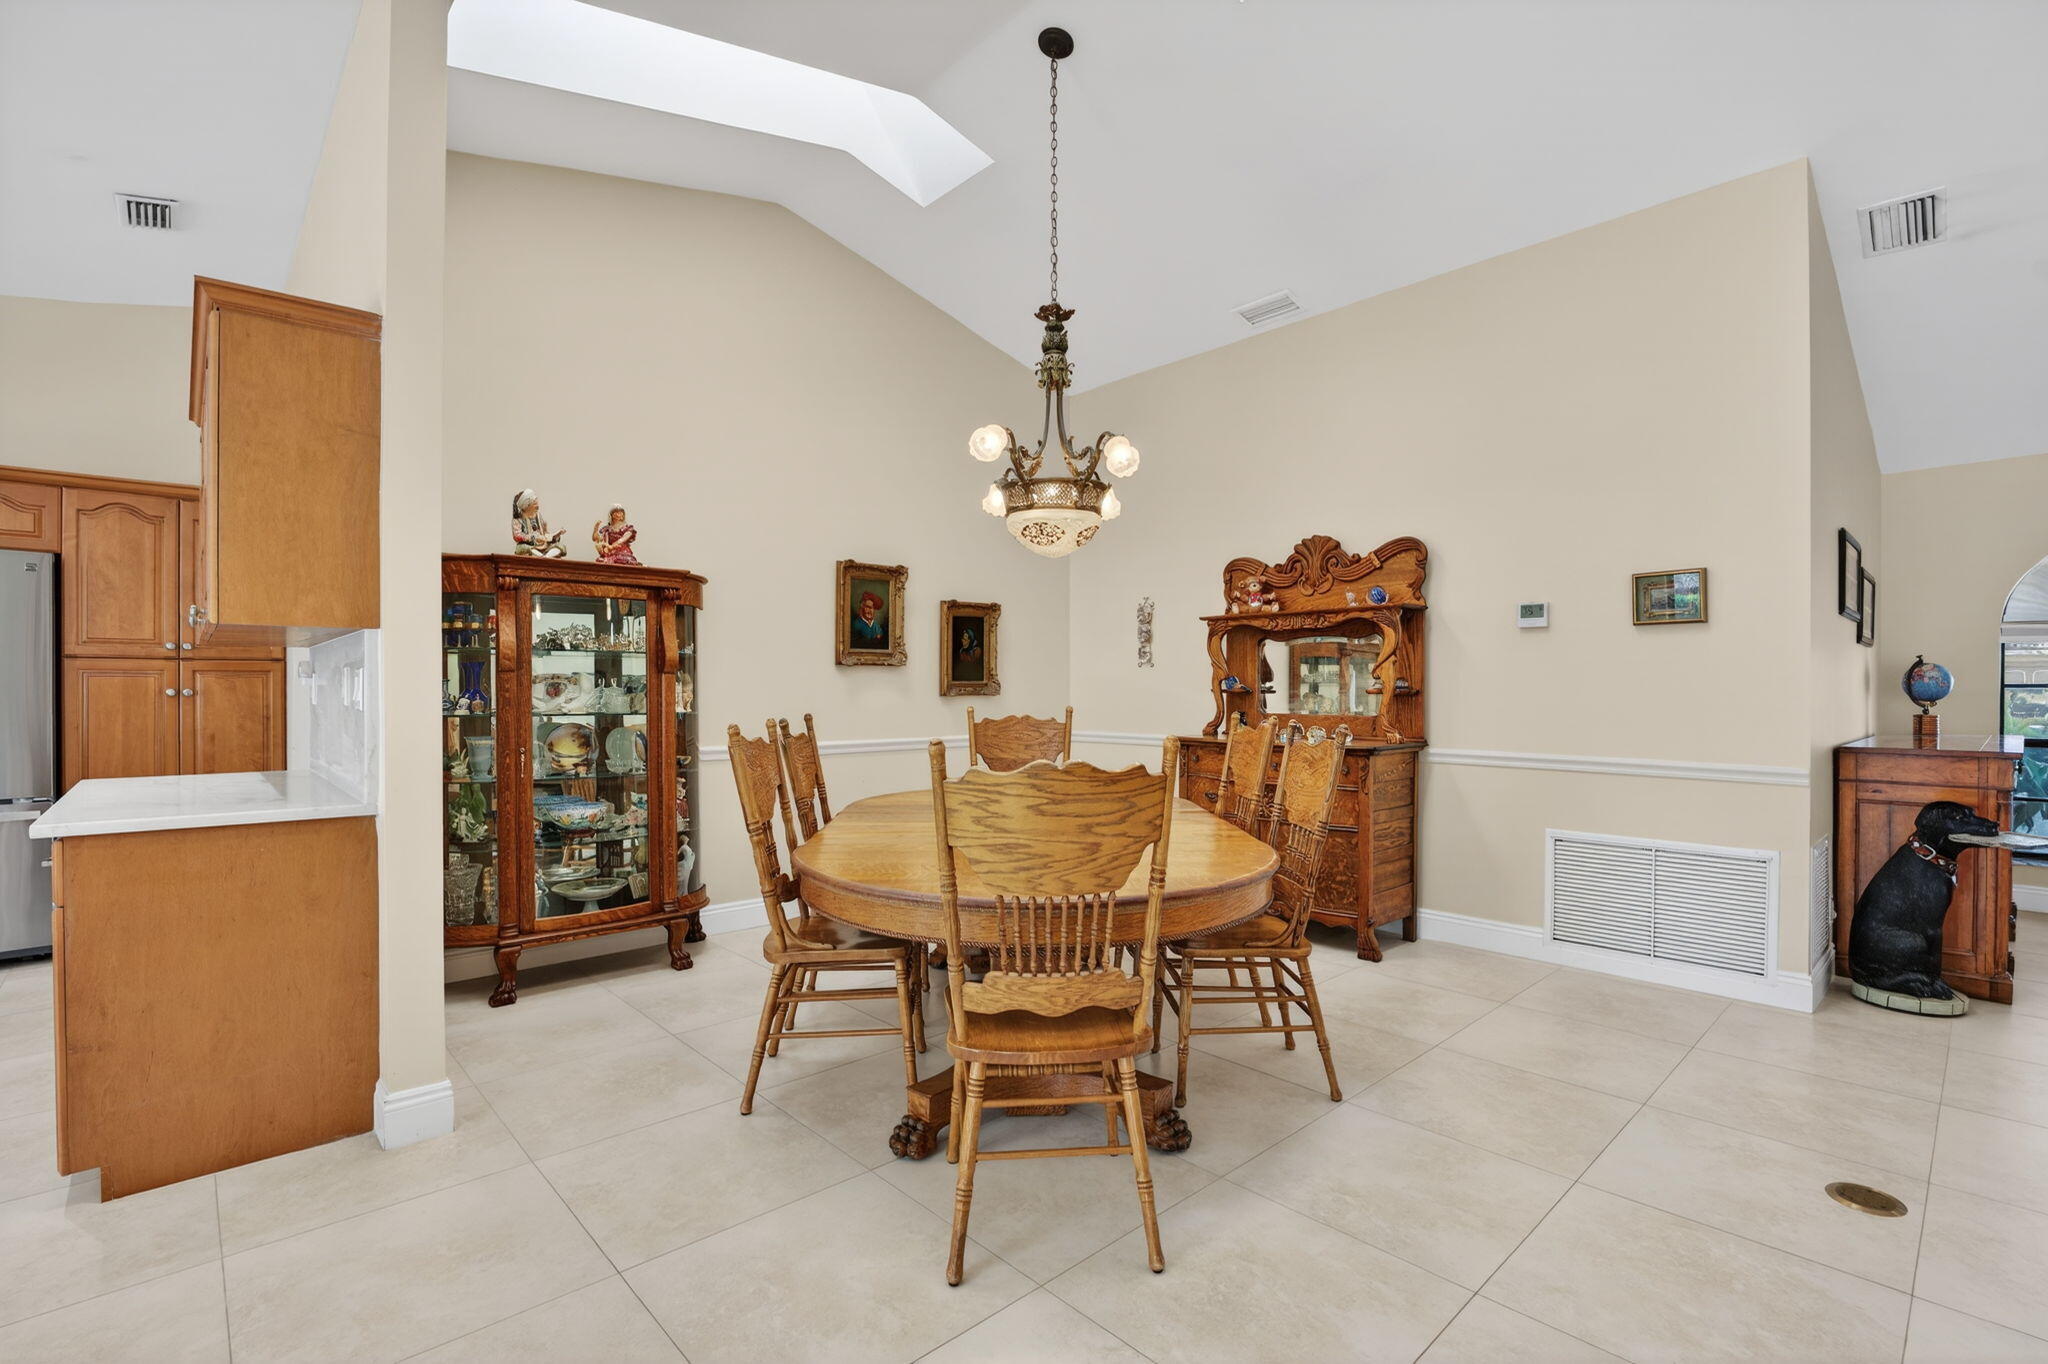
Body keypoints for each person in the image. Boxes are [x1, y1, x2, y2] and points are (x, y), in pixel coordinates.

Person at [511, 489, 566, 557]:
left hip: (542, 545)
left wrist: (555, 535)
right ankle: (541, 557)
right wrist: (533, 537)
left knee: (560, 546)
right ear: (527, 505)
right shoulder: (518, 519)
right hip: (529, 545)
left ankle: (546, 557)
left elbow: (544, 533)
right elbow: (517, 536)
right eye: (534, 503)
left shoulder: (538, 516)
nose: (537, 505)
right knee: (523, 548)